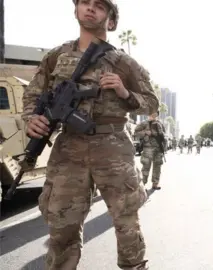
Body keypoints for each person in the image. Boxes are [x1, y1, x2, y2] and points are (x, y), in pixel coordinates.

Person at [22, 0, 159, 269]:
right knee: (62, 227)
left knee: (126, 224)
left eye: (99, 5)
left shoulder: (123, 62)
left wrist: (125, 93)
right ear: (75, 10)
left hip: (113, 145)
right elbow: (33, 94)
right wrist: (31, 119)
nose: (90, 8)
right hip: (69, 147)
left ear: (110, 19)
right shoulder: (56, 56)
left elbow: (152, 103)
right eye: (84, 2)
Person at [134, 111, 166, 190]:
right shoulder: (144, 123)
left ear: (157, 114)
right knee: (146, 167)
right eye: (152, 113)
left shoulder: (160, 124)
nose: (153, 115)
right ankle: (142, 185)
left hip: (158, 149)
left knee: (157, 167)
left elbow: (164, 136)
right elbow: (136, 132)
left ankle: (155, 184)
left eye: (155, 114)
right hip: (148, 148)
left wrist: (163, 149)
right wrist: (145, 132)